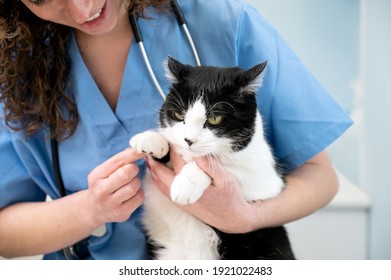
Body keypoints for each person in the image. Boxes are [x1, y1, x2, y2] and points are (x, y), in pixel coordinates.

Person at [0, 0, 352, 260]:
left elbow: (321, 177)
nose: (82, 10)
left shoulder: (223, 21)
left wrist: (244, 217)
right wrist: (90, 209)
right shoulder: (16, 68)